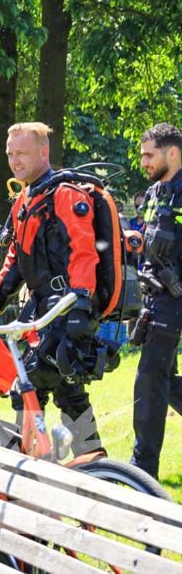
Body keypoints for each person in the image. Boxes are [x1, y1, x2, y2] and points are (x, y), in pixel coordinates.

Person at [0, 122, 103, 457]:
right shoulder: (26, 198)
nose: (14, 160)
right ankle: (93, 465)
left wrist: (79, 306)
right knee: (68, 393)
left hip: (66, 309)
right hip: (44, 312)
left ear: (44, 153)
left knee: (28, 386)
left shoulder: (65, 194)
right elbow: (16, 258)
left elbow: (84, 251)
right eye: (10, 153)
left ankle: (37, 463)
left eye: (22, 152)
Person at [130, 123, 182, 480]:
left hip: (177, 293)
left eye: (150, 154)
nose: (144, 161)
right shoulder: (152, 194)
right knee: (157, 376)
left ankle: (142, 470)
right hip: (158, 297)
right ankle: (143, 468)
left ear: (172, 152)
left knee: (152, 376)